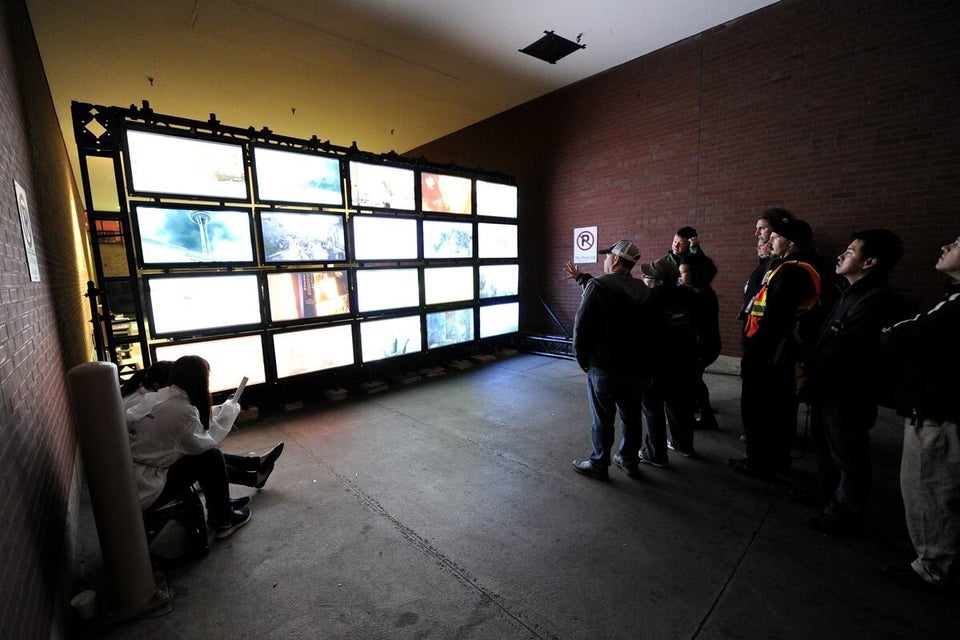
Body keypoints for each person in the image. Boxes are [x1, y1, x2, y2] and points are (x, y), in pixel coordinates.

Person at [799, 229, 904, 533]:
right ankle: (825, 493)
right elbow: (827, 339)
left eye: (851, 250)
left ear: (869, 261)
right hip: (826, 387)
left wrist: (812, 372)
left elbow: (849, 350)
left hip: (848, 392)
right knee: (825, 445)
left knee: (849, 454)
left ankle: (844, 512)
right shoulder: (849, 293)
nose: (842, 255)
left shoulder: (876, 301)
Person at [880, 234, 960, 590]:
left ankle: (933, 565)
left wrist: (885, 334)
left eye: (956, 243)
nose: (944, 247)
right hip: (938, 410)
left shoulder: (957, 305)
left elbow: (903, 335)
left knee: (930, 489)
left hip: (940, 414)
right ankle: (932, 548)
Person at [126, 355, 281, 538]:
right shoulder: (184, 411)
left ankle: (253, 468)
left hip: (133, 478)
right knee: (210, 458)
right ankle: (225, 520)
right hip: (146, 488)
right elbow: (206, 445)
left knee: (203, 457)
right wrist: (229, 415)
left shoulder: (160, 397)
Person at [731, 216, 821, 480]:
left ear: (790, 243)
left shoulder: (793, 270)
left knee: (761, 410)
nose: (769, 242)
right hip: (778, 353)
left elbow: (775, 318)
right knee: (778, 412)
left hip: (769, 356)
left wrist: (757, 350)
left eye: (775, 237)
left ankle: (758, 462)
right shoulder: (801, 266)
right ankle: (775, 460)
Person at [569, 240, 653, 480]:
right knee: (632, 417)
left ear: (616, 259)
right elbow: (652, 333)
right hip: (634, 369)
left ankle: (599, 464)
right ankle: (629, 460)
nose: (604, 260)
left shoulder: (598, 286)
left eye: (607, 256)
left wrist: (582, 360)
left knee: (602, 420)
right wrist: (647, 369)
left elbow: (581, 327)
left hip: (603, 367)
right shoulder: (644, 292)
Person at [637, 255, 701, 464]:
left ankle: (655, 454)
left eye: (648, 275)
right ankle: (684, 445)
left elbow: (645, 337)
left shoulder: (650, 299)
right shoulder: (690, 294)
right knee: (680, 406)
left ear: (659, 280)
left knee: (653, 409)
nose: (644, 276)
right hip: (685, 362)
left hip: (657, 365)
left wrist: (644, 371)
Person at [680, 253, 722, 430]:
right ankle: (704, 413)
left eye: (683, 272)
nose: (680, 276)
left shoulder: (700, 295)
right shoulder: (702, 291)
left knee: (692, 380)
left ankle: (704, 416)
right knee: (696, 380)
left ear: (695, 273)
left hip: (702, 347)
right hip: (707, 345)